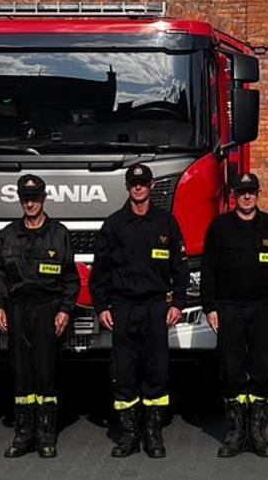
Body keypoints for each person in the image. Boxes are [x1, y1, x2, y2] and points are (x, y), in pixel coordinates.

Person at [91, 163, 186, 459]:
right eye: (134, 183)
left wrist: (178, 303)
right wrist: (101, 307)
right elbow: (100, 271)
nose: (138, 187)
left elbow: (180, 268)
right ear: (127, 187)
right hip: (123, 308)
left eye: (143, 183)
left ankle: (153, 432)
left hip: (156, 307)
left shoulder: (166, 223)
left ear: (152, 186)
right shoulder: (114, 225)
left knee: (156, 371)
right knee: (124, 372)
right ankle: (129, 434)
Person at [200, 172, 268, 458]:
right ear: (234, 196)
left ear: (258, 194)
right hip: (229, 308)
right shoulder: (220, 227)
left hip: (263, 309)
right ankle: (236, 433)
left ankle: (258, 433)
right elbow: (208, 270)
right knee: (231, 368)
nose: (247, 196)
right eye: (242, 192)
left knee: (262, 370)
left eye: (251, 191)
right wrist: (210, 307)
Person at [0, 174, 78, 459]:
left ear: (44, 199)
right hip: (17, 309)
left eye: (35, 199)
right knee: (20, 373)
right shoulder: (7, 234)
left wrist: (65, 310)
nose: (30, 204)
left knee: (46, 373)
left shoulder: (59, 234)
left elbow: (70, 278)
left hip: (47, 309)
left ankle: (45, 434)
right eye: (25, 199)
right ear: (20, 201)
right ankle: (23, 434)